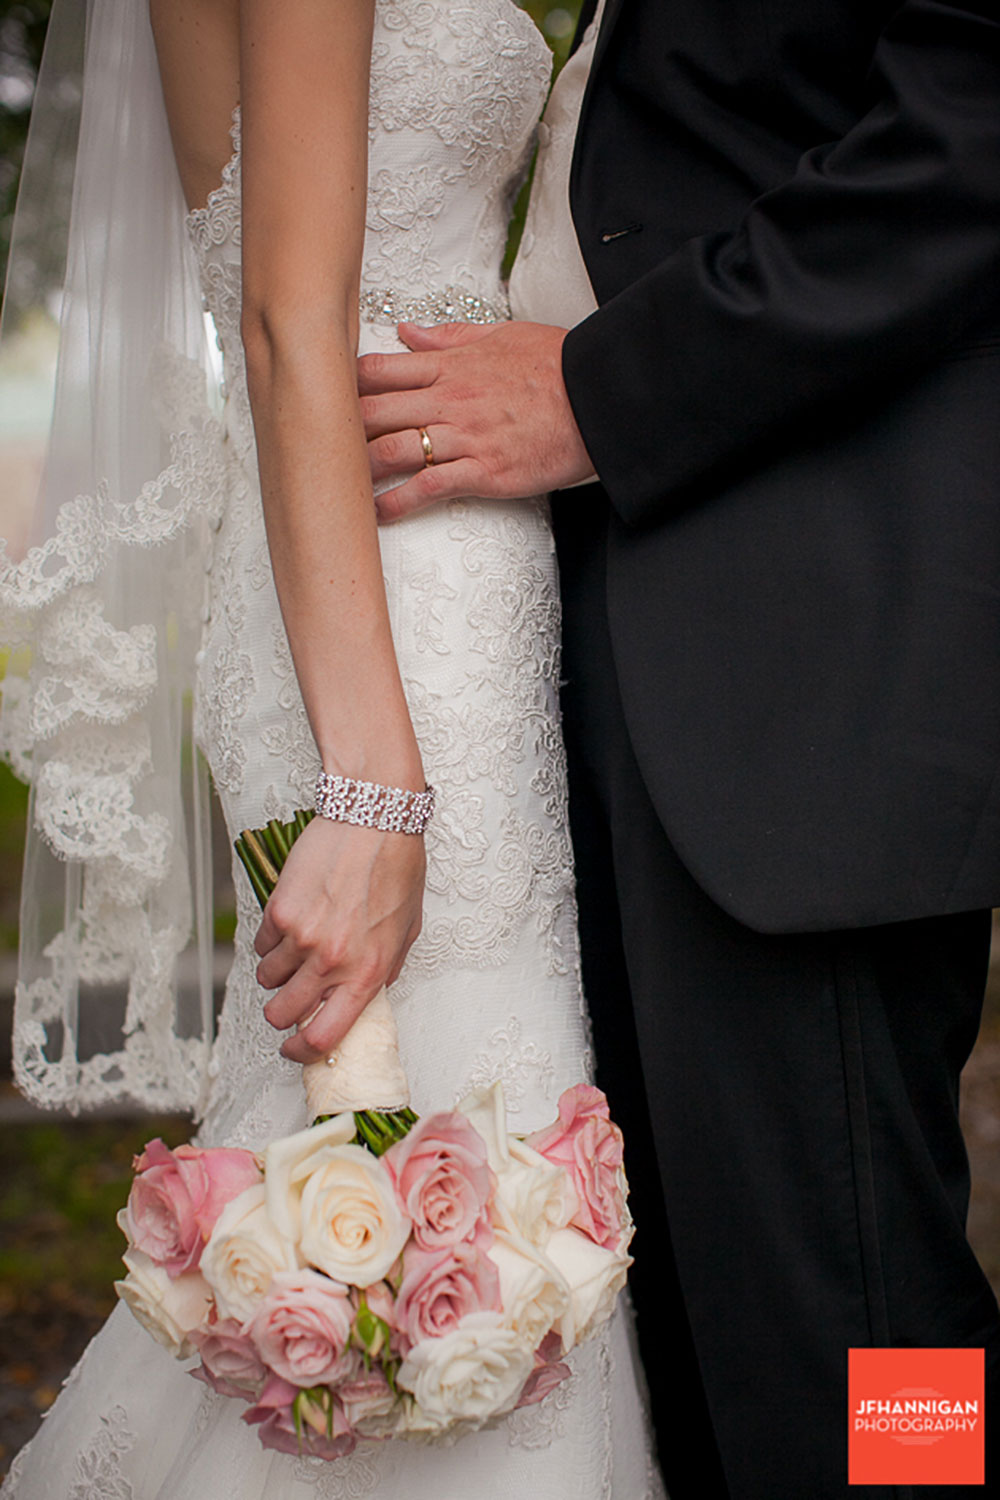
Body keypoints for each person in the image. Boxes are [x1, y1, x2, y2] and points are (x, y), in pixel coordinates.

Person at [0, 2, 662, 1497]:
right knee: (435, 1157)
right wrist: (376, 783)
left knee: (448, 1154)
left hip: (394, 568)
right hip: (386, 606)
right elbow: (292, 317)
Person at [356, 1, 1000, 1496]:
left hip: (806, 662)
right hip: (595, 621)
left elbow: (972, 126)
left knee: (876, 1347)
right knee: (681, 1366)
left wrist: (599, 389)